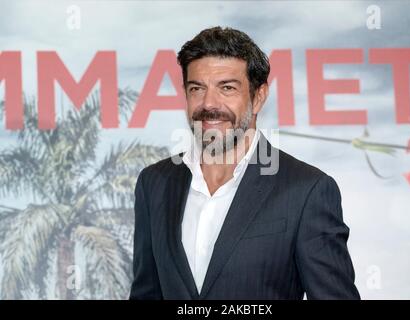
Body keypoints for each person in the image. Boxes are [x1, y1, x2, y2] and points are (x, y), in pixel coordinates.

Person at [129, 26, 360, 300]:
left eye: (227, 88)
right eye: (196, 88)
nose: (209, 103)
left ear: (258, 96)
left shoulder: (307, 190)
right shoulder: (154, 182)